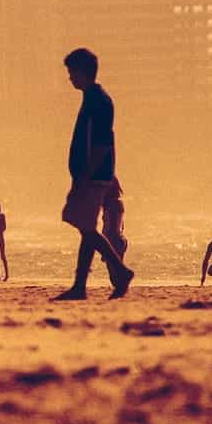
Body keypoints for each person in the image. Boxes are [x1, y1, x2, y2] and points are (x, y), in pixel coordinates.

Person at [53, 49, 134, 301]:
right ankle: (82, 285)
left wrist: (86, 177)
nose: (70, 78)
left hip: (94, 176)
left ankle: (118, 272)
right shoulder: (92, 98)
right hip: (91, 175)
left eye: (71, 72)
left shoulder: (99, 101)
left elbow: (101, 142)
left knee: (84, 225)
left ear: (82, 72)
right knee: (85, 227)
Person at [102, 177, 128, 258]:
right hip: (121, 241)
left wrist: (103, 246)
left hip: (112, 242)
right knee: (119, 269)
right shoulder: (119, 203)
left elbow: (107, 227)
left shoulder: (109, 206)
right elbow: (120, 226)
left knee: (114, 269)